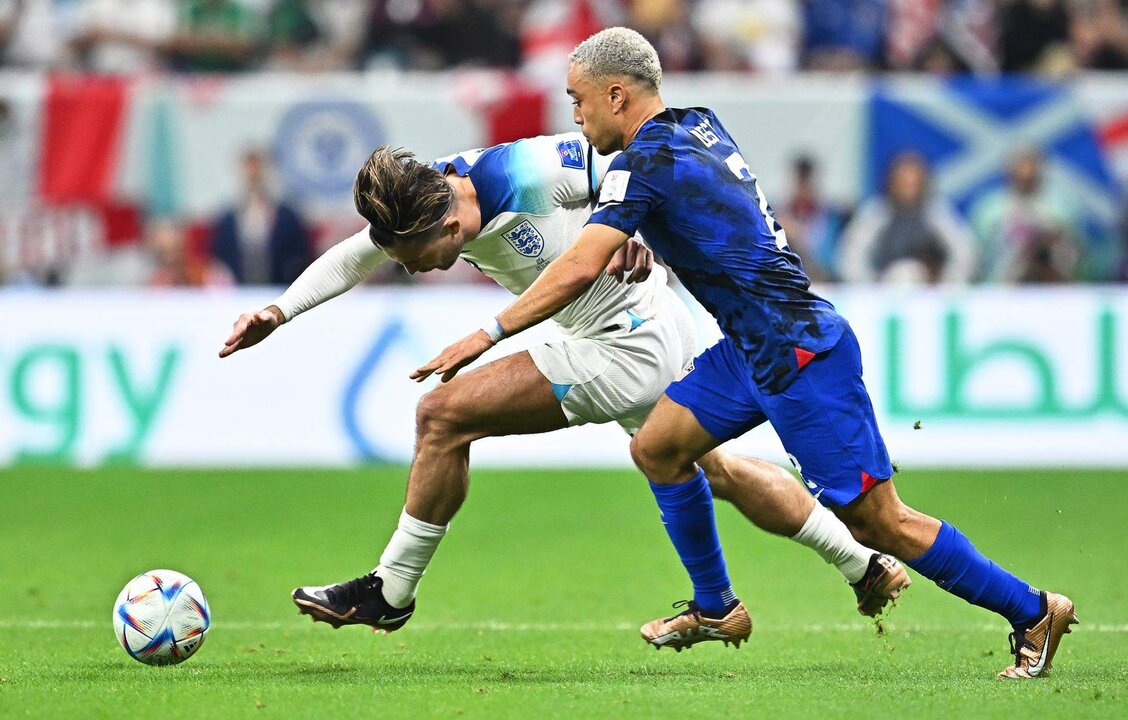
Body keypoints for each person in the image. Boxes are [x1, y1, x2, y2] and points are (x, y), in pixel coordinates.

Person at [414, 27, 1075, 679]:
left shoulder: (642, 165)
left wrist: (487, 334)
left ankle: (1033, 611)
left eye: (578, 100)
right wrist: (628, 235)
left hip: (798, 351)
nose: (576, 117)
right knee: (658, 447)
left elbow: (580, 265)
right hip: (751, 346)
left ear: (617, 96)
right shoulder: (697, 124)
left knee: (882, 525)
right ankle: (715, 606)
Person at [219, 132, 910, 640]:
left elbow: (631, 167)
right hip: (618, 329)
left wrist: (631, 227)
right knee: (718, 471)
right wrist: (278, 311)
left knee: (443, 415)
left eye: (416, 260)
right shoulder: (433, 195)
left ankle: (391, 589)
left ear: (449, 225)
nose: (415, 270)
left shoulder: (526, 170)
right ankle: (861, 563)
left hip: (629, 335)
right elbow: (355, 253)